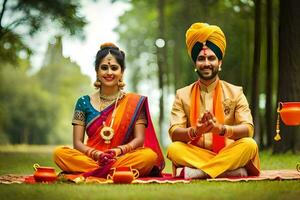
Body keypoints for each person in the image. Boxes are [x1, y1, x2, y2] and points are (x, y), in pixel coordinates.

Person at [53, 42, 164, 179]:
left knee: (148, 156)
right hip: (92, 158)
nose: (109, 72)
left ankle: (97, 172)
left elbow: (139, 139)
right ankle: (116, 172)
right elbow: (77, 143)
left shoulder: (134, 102)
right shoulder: (83, 102)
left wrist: (118, 151)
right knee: (59, 153)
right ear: (97, 72)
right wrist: (98, 154)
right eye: (104, 68)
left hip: (121, 157)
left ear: (121, 72)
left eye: (114, 68)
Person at [166, 22, 260, 179]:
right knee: (174, 148)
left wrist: (221, 130)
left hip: (228, 151)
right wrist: (195, 131)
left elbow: (248, 129)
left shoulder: (235, 92)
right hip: (199, 154)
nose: (206, 63)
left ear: (220, 62)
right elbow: (174, 133)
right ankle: (229, 171)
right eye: (201, 59)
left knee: (249, 145)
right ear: (195, 64)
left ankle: (199, 173)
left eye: (211, 58)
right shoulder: (182, 95)